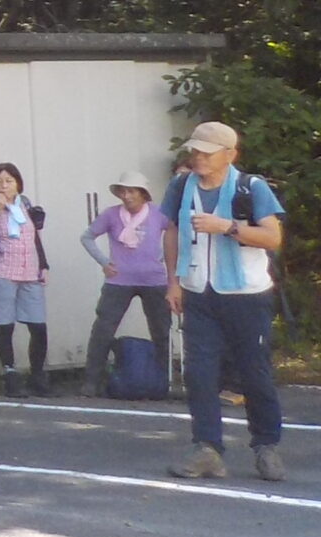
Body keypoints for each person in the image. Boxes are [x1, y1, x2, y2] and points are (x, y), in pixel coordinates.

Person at [162, 121, 286, 482]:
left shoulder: (251, 187)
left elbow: (272, 237)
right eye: (195, 150)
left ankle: (266, 446)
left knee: (254, 373)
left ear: (230, 154)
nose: (198, 157)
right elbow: (171, 232)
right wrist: (173, 281)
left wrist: (228, 227)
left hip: (247, 295)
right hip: (198, 292)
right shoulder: (181, 185)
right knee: (199, 374)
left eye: (207, 151)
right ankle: (207, 449)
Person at [81, 170, 173, 398]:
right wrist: (104, 262)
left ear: (143, 194)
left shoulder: (159, 214)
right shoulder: (111, 214)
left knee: (161, 331)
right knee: (103, 329)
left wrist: (164, 258)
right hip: (119, 280)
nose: (126, 196)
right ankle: (92, 380)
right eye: (123, 191)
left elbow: (174, 232)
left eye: (132, 191)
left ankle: (163, 380)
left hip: (154, 280)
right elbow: (87, 237)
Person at [0, 163, 52, 396]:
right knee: (6, 325)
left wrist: (44, 265)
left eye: (9, 181)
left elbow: (34, 238)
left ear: (18, 183)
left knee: (38, 325)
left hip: (30, 271)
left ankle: (38, 376)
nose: (3, 186)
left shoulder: (24, 204)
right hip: (0, 270)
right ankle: (10, 375)